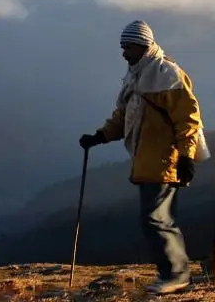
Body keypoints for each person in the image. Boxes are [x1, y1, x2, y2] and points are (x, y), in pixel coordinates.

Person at [79, 20, 204, 295]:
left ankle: (176, 274)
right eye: (123, 47)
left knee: (157, 219)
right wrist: (100, 136)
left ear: (144, 46)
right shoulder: (138, 77)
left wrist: (185, 156)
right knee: (154, 219)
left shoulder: (166, 75)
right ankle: (173, 273)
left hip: (164, 160)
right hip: (147, 160)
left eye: (129, 47)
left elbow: (188, 120)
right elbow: (124, 116)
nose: (124, 53)